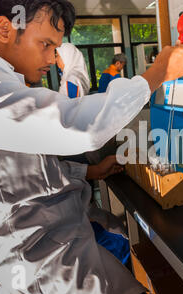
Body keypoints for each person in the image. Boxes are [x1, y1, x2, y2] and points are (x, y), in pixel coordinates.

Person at [0, 0, 183, 294]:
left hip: (61, 249)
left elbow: (21, 171)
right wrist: (158, 73)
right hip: (45, 269)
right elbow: (76, 124)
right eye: (46, 44)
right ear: (4, 29)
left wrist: (90, 170)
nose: (53, 58)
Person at [55, 42, 131, 266]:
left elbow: (71, 112)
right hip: (76, 149)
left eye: (56, 55)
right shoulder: (73, 77)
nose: (54, 61)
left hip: (76, 149)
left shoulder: (72, 78)